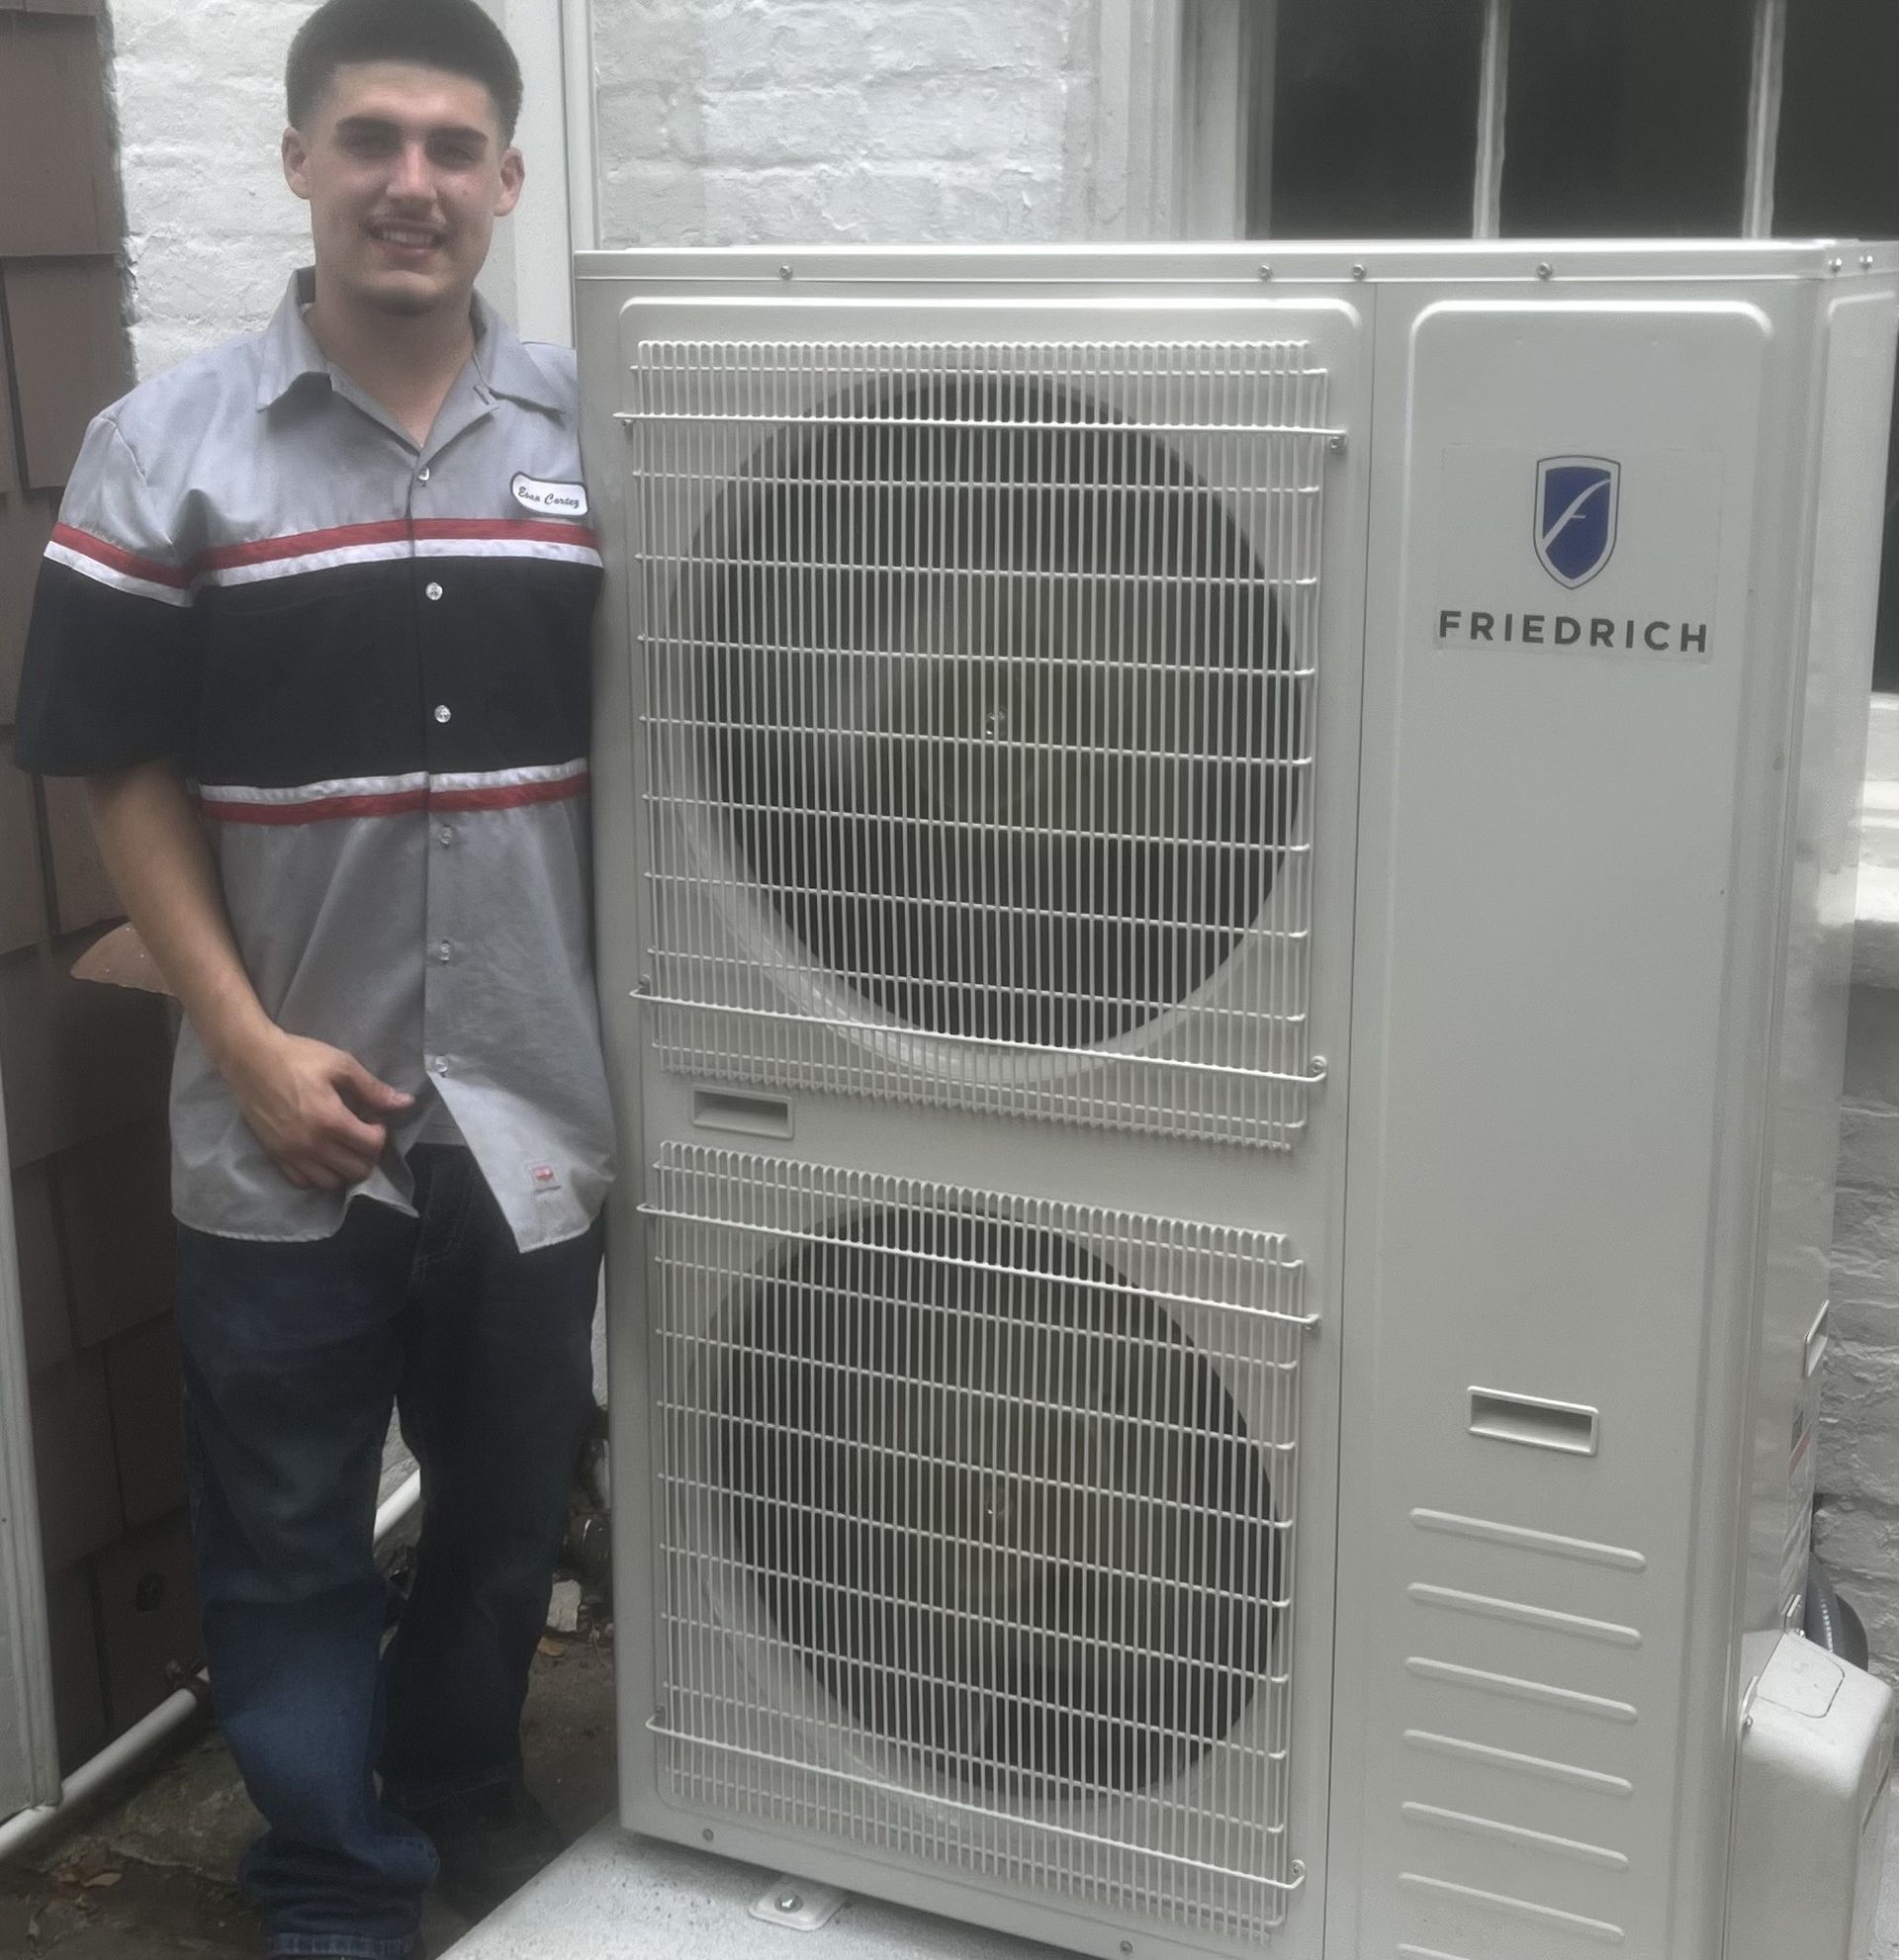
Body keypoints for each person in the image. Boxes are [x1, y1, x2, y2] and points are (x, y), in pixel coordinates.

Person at [15, 1, 614, 1953]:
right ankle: (333, 1874)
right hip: (279, 1114)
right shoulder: (162, 447)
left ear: (506, 179)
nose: (409, 182)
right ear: (298, 162)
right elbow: (119, 770)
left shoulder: (599, 439)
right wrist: (246, 1041)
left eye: (451, 146)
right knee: (283, 1532)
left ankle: (457, 1782)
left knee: (505, 1511)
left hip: (536, 1103)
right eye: (369, 140)